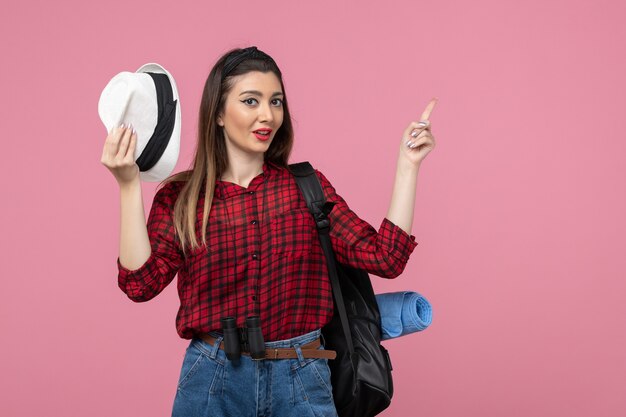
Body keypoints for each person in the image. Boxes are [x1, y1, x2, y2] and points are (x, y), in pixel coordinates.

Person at [100, 46, 437, 417]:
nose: (267, 115)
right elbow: (140, 285)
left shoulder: (306, 187)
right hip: (212, 379)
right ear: (218, 115)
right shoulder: (181, 197)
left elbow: (385, 257)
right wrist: (129, 185)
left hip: (302, 376)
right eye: (251, 100)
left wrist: (409, 165)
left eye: (275, 101)